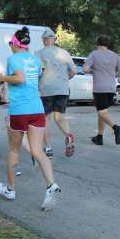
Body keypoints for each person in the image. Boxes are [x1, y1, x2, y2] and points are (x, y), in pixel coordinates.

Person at [0, 26, 61, 211]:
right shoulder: (35, 59)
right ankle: (51, 185)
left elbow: (20, 79)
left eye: (10, 44)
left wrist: (2, 78)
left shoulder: (13, 59)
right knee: (38, 150)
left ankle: (10, 189)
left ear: (15, 44)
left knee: (14, 150)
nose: (10, 47)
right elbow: (36, 78)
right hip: (37, 108)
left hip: (19, 110)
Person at [35, 29, 77, 157]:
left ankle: (48, 148)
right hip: (62, 89)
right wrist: (65, 80)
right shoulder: (64, 52)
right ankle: (68, 135)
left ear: (43, 40)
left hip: (46, 90)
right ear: (54, 39)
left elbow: (37, 72)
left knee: (46, 119)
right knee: (59, 117)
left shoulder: (38, 53)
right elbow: (74, 71)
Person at [83, 35, 120, 145]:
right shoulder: (115, 56)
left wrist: (94, 70)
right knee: (103, 112)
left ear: (97, 43)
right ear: (107, 44)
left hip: (100, 88)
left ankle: (116, 128)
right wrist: (114, 74)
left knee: (102, 112)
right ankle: (99, 137)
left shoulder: (94, 54)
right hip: (111, 87)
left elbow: (85, 69)